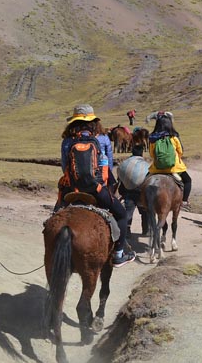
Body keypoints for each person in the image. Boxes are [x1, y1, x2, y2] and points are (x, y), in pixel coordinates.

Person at [58, 104, 134, 267]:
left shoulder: (67, 141)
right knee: (121, 214)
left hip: (73, 189)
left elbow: (65, 167)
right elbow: (108, 165)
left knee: (55, 216)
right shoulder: (103, 138)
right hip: (97, 189)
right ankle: (119, 255)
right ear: (94, 121)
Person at [148, 112, 192, 208]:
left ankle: (141, 200)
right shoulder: (174, 137)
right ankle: (184, 201)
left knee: (144, 182)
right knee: (188, 180)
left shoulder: (153, 139)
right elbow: (180, 152)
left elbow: (151, 154)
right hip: (174, 168)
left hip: (157, 169)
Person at [117, 143, 149, 237]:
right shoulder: (145, 165)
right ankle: (146, 230)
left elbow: (120, 178)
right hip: (141, 192)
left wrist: (122, 191)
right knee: (145, 211)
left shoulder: (126, 164)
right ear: (142, 153)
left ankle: (127, 231)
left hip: (128, 192)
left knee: (128, 212)